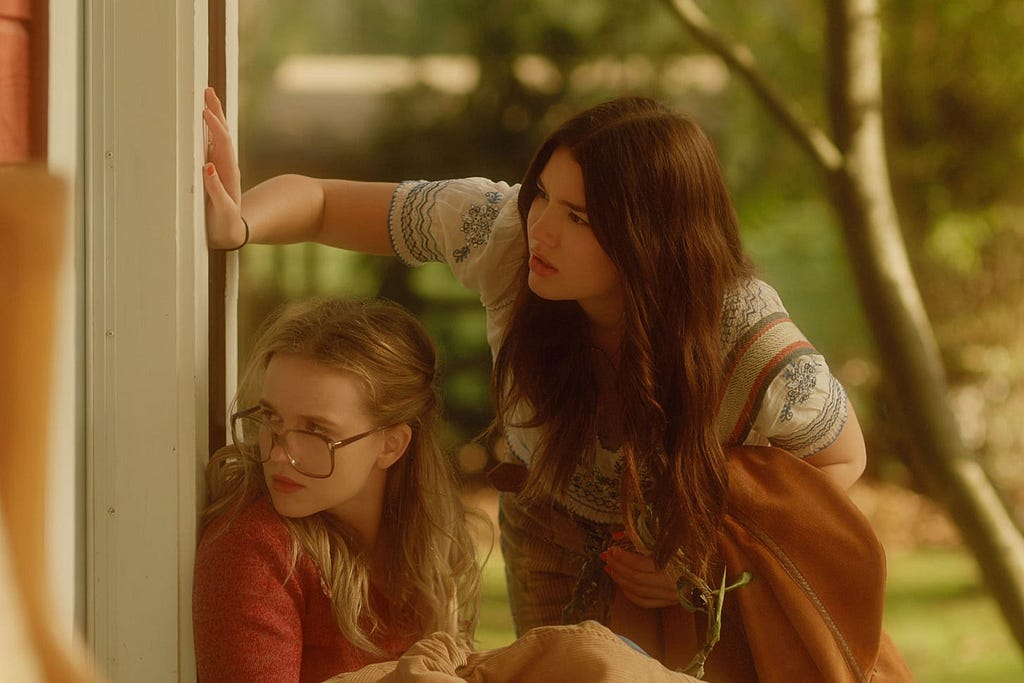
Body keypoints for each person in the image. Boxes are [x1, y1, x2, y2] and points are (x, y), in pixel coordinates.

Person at [201, 88, 868, 676]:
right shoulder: (504, 234)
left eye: (579, 217)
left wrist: (701, 554)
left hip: (669, 558)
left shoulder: (742, 333)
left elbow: (844, 457)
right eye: (542, 194)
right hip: (547, 533)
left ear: (651, 236)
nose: (542, 227)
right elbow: (320, 201)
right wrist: (240, 222)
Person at [192, 297, 480, 683]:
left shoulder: (426, 549)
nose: (279, 454)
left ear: (391, 445)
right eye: (271, 417)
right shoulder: (257, 549)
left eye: (315, 430)